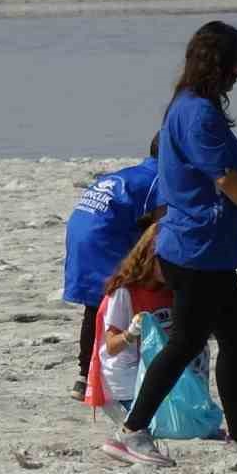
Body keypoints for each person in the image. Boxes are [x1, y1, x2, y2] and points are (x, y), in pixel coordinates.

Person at [101, 20, 237, 468]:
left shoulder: (195, 107)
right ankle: (132, 432)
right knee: (187, 344)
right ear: (217, 64)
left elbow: (236, 165)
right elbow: (225, 179)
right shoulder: (195, 113)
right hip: (195, 249)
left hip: (205, 250)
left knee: (234, 337)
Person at [62, 136, 160, 401]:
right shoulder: (158, 179)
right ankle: (104, 376)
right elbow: (162, 225)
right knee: (119, 299)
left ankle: (83, 378)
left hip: (82, 235)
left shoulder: (131, 174)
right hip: (103, 240)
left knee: (96, 305)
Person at [82, 222, 181, 425]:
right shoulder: (125, 293)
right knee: (160, 425)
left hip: (157, 378)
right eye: (165, 262)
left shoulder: (173, 290)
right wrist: (131, 332)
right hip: (124, 383)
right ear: (149, 258)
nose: (172, 268)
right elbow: (110, 346)